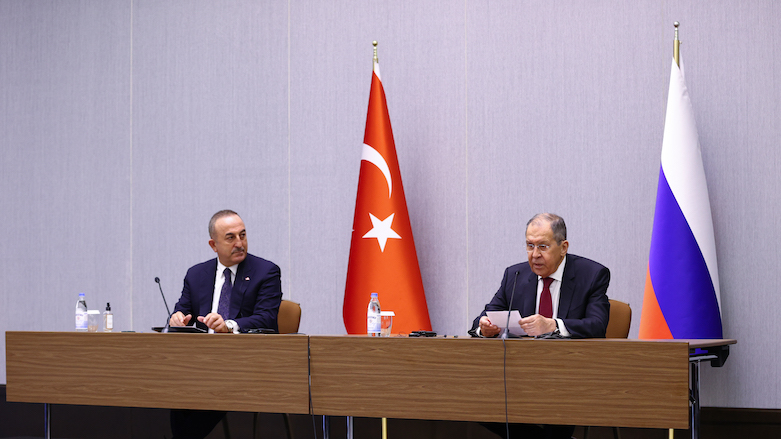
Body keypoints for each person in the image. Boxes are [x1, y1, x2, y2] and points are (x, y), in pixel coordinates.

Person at [470, 213, 610, 439]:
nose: (534, 255)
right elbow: (484, 317)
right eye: (529, 246)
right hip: (522, 375)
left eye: (543, 246)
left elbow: (597, 325)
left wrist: (553, 325)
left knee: (558, 408)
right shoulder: (514, 275)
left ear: (563, 247)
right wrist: (483, 327)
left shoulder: (592, 275)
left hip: (570, 377)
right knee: (476, 403)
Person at [168, 209, 283, 439]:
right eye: (230, 237)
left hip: (246, 364)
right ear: (214, 244)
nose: (239, 243)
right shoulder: (196, 274)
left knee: (214, 385)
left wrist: (228, 326)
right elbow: (181, 311)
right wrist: (177, 318)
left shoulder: (266, 272)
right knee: (174, 386)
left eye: (243, 235)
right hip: (200, 364)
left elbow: (267, 318)